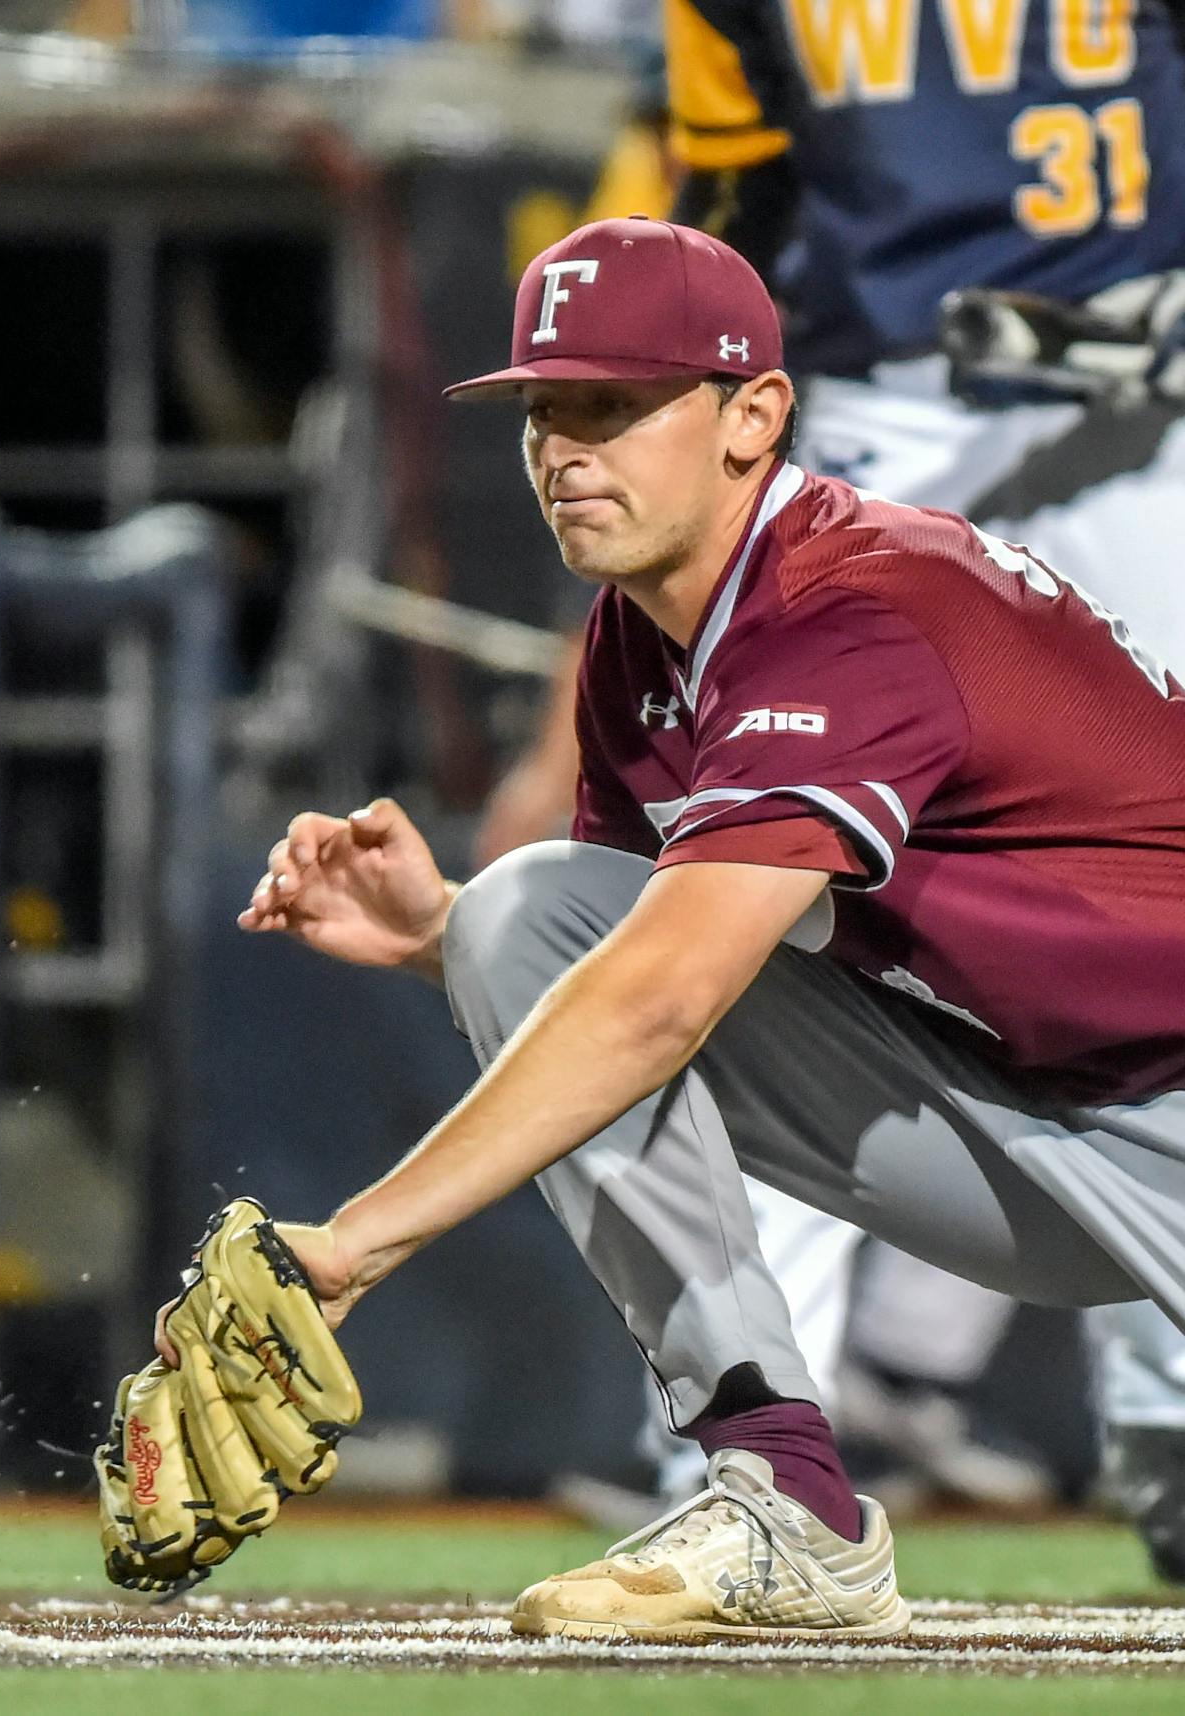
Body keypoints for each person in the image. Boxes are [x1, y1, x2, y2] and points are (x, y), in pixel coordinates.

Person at [215, 216, 1185, 1639]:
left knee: (565, 937)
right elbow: (643, 981)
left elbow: (659, 999)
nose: (565, 448)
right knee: (527, 915)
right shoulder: (645, 638)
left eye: (615, 405)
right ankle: (786, 1500)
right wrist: (442, 932)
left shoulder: (853, 607)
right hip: (1036, 1112)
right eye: (546, 409)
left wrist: (352, 1244)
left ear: (755, 416)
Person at [478, 0, 1185, 1527]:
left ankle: (1166, 1420)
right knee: (738, 915)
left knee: (1143, 886)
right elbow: (723, 206)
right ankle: (738, 1448)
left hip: (1147, 398)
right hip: (876, 400)